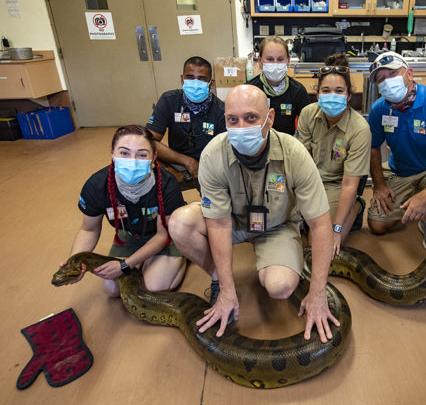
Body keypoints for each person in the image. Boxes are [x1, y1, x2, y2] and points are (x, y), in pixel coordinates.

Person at [168, 84, 339, 343]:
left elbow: (321, 225)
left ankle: (280, 260)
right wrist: (226, 289)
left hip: (277, 225)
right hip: (234, 222)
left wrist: (318, 293)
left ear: (269, 118)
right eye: (232, 120)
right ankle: (218, 279)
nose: (241, 128)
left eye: (251, 118)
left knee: (281, 286)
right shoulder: (213, 156)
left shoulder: (295, 154)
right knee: (181, 222)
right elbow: (218, 224)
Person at [60, 125, 186, 297]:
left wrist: (125, 265)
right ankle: (146, 260)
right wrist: (74, 263)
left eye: (142, 154)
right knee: (112, 290)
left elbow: (162, 236)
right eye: (124, 153)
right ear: (112, 152)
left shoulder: (167, 184)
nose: (132, 161)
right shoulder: (97, 185)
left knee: (153, 288)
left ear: (153, 157)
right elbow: (88, 230)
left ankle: (183, 255)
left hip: (165, 237)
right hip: (131, 236)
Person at [366, 51, 426, 250]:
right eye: (381, 79)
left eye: (392, 74)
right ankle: (412, 202)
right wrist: (379, 185)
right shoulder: (379, 109)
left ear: (409, 74)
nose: (387, 82)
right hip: (400, 169)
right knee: (377, 225)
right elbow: (374, 147)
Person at [296, 53, 371, 254]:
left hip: (337, 185)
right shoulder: (307, 114)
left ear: (348, 96)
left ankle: (354, 207)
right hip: (309, 181)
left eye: (339, 91)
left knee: (318, 247)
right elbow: (301, 162)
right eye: (326, 90)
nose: (332, 96)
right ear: (317, 94)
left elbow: (349, 183)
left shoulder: (359, 128)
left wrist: (337, 229)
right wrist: (297, 198)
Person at [146, 56, 226, 189]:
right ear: (182, 80)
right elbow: (147, 140)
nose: (195, 83)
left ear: (211, 84)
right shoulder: (169, 100)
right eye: (190, 77)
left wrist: (203, 169)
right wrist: (187, 162)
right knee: (143, 158)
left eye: (201, 79)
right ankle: (170, 197)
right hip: (175, 161)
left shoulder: (220, 111)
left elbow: (225, 152)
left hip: (208, 165)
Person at [247, 36, 311, 135]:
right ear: (260, 61)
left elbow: (308, 127)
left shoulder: (298, 91)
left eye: (280, 59)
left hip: (287, 146)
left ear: (288, 61)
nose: (275, 64)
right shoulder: (249, 90)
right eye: (270, 59)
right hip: (257, 145)